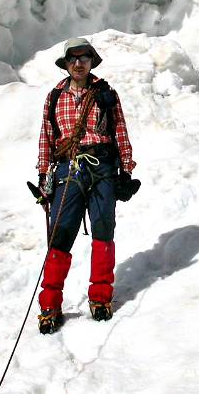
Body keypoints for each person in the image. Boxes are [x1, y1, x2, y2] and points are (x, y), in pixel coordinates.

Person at [36, 37, 139, 334]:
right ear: (66, 63)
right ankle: (50, 303)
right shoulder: (54, 97)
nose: (78, 63)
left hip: (102, 166)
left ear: (91, 61)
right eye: (73, 58)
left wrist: (126, 170)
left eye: (84, 58)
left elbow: (119, 130)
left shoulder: (106, 94)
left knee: (104, 229)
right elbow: (46, 136)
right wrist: (44, 175)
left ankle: (101, 297)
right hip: (67, 169)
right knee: (60, 234)